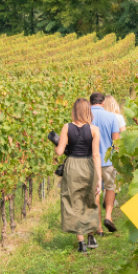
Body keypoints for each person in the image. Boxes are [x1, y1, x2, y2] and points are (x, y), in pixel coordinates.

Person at [55, 98, 102, 253]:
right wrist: (99, 178)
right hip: (88, 165)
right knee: (89, 199)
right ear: (88, 111)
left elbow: (60, 151)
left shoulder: (66, 127)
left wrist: (58, 143)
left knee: (73, 201)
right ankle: (91, 237)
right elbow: (96, 155)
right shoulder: (94, 129)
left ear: (74, 111)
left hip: (72, 166)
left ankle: (81, 243)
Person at [90, 92, 120, 233]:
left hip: (90, 161)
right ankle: (108, 216)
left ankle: (99, 227)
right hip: (108, 161)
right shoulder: (111, 117)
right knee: (110, 188)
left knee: (96, 191)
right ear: (103, 102)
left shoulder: (85, 116)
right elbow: (116, 142)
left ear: (90, 103)